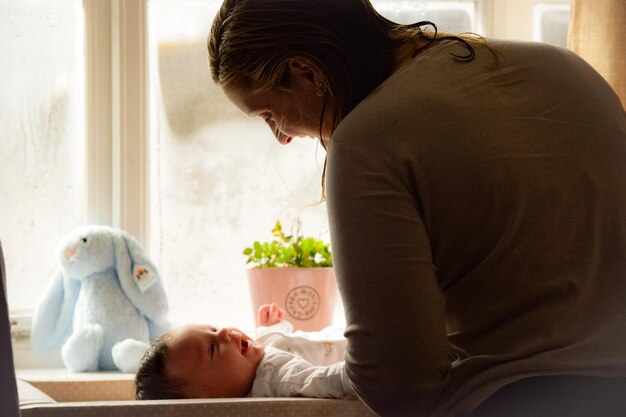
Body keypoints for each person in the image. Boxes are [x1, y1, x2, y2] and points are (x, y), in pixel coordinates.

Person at [206, 0, 626, 416]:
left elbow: (398, 384)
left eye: (269, 115)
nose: (281, 137)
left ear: (307, 71)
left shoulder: (367, 140)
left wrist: (286, 374)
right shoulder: (564, 67)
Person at [134, 303, 355, 400]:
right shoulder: (277, 379)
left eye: (214, 328)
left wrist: (271, 327)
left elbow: (275, 345)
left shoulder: (254, 359)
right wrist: (364, 368)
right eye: (212, 348)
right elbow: (324, 380)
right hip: (363, 351)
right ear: (210, 399)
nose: (225, 332)